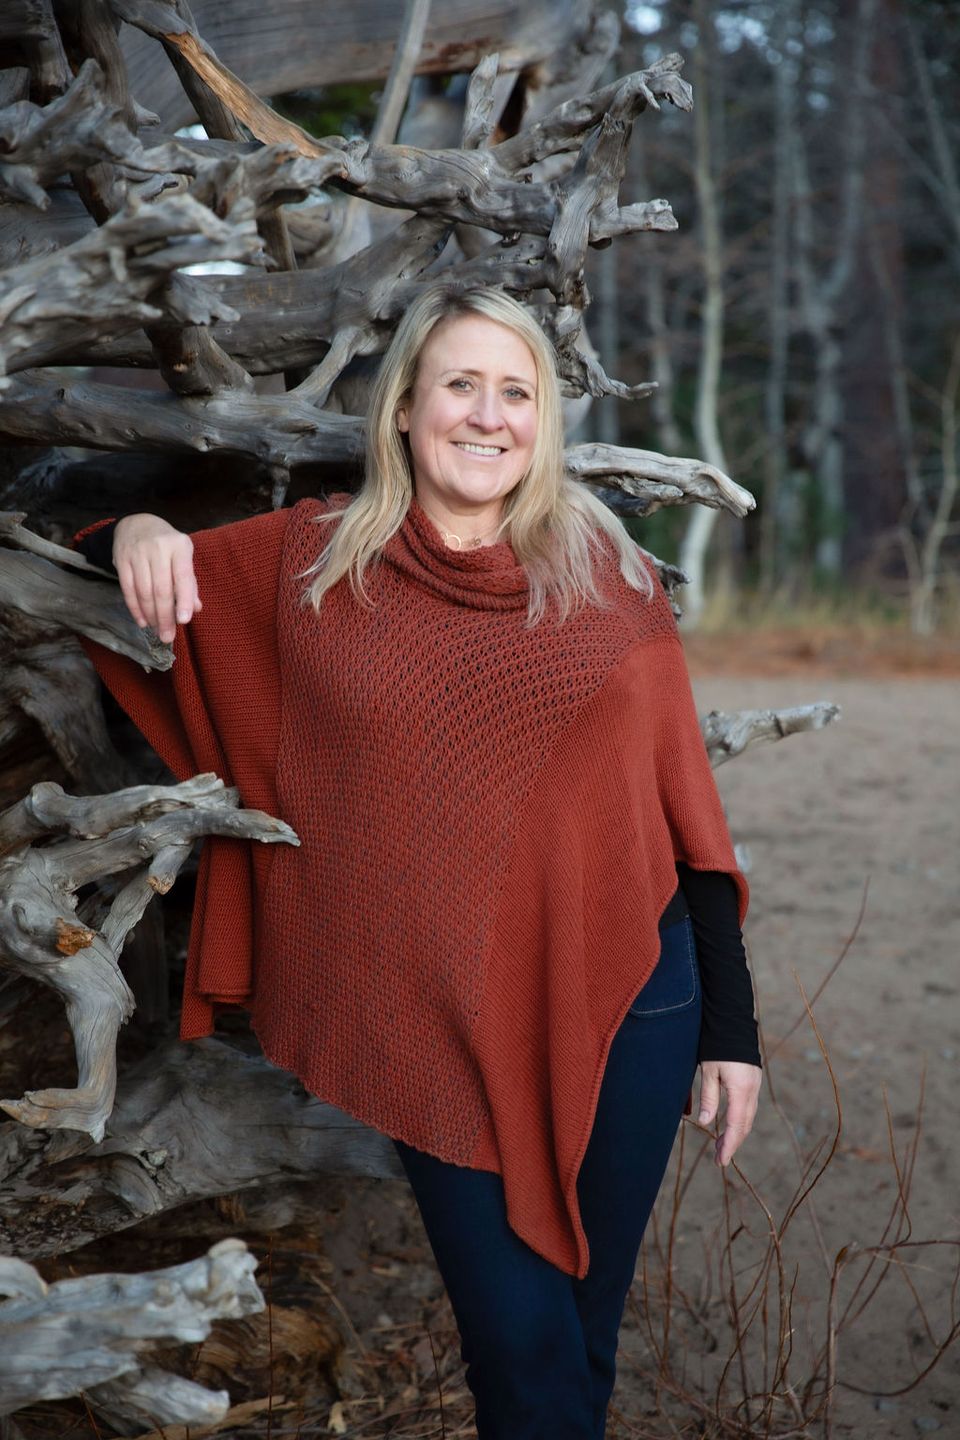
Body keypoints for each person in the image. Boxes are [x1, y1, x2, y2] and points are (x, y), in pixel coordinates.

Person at [76, 283, 762, 1440]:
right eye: (460, 385)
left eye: (518, 392)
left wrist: (731, 1033)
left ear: (543, 421)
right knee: (524, 1354)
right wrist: (136, 535)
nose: (487, 416)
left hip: (632, 1007)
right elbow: (110, 558)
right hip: (429, 1029)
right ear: (404, 406)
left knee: (580, 1353)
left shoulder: (611, 580)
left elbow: (687, 828)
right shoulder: (312, 567)